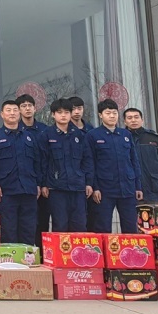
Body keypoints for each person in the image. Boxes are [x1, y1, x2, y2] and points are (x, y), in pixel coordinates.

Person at [0, 100, 42, 244]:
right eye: (8, 110)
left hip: (28, 189)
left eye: (15, 110)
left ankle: (27, 256)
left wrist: (38, 184)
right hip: (6, 191)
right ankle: (11, 257)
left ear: (19, 113)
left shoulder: (29, 136)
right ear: (2, 114)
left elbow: (38, 162)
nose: (12, 113)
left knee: (28, 228)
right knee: (8, 229)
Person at [86, 99, 143, 233]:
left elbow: (134, 161)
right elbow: (90, 163)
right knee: (103, 227)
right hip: (105, 189)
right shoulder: (93, 135)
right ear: (100, 115)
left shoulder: (125, 135)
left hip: (127, 188)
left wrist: (138, 186)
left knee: (130, 227)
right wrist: (95, 187)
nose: (112, 116)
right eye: (108, 113)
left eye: (114, 113)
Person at [42, 98, 93, 231]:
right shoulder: (46, 135)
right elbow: (42, 161)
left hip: (78, 187)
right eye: (59, 112)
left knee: (80, 225)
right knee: (60, 225)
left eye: (66, 112)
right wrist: (43, 184)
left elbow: (87, 160)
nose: (63, 115)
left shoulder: (80, 135)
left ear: (70, 114)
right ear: (53, 115)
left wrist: (88, 183)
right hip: (56, 188)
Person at [17, 94, 50, 246]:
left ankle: (43, 253)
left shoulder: (44, 130)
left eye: (30, 105)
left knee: (43, 221)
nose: (27, 109)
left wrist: (43, 183)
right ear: (19, 110)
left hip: (43, 183)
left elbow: (47, 158)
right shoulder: (16, 130)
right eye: (23, 106)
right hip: (24, 184)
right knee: (25, 222)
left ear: (35, 108)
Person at [124, 107, 158, 204]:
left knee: (156, 213)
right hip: (130, 187)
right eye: (129, 118)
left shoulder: (153, 137)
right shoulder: (121, 138)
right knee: (132, 213)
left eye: (136, 117)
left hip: (154, 187)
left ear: (142, 120)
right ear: (125, 121)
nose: (133, 120)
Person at [69, 95, 96, 230]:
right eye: (73, 109)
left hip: (91, 179)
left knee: (92, 218)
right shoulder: (65, 130)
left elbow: (92, 157)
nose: (76, 112)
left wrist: (91, 182)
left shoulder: (91, 130)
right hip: (71, 181)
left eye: (79, 108)